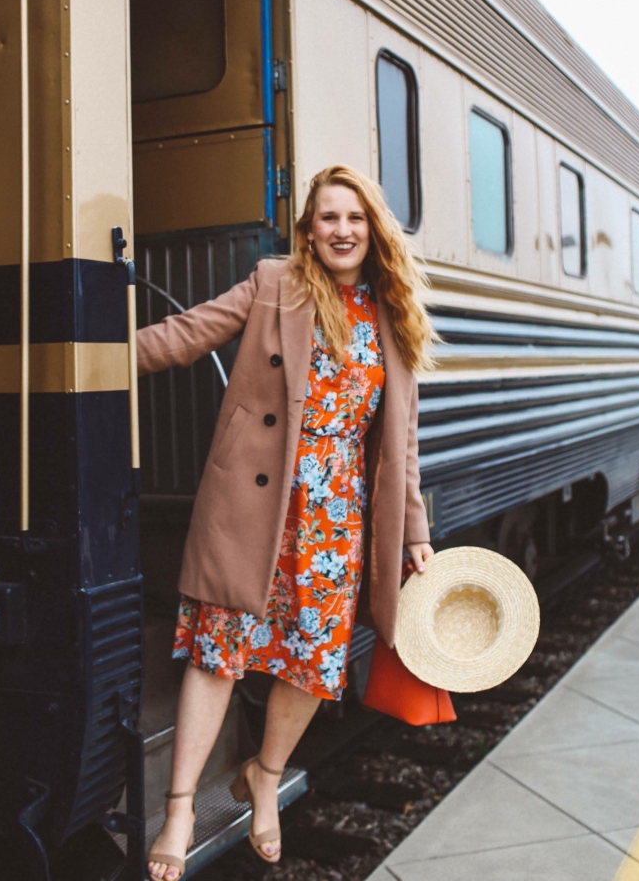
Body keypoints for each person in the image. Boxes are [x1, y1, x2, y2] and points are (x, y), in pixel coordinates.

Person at [137, 164, 436, 880]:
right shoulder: (276, 284)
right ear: (308, 230)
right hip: (255, 504)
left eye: (355, 218)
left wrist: (416, 531)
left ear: (374, 230)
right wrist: (88, 358)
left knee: (311, 663)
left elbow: (402, 443)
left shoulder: (392, 314)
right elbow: (189, 333)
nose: (342, 230)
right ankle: (179, 807)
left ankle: (264, 775)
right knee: (219, 653)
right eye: (328, 218)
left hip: (337, 517)